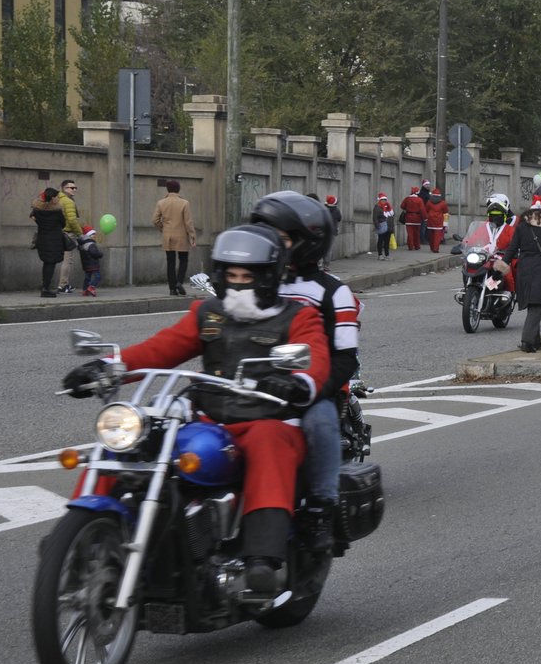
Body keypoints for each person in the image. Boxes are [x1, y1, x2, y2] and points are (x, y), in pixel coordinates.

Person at [62, 225, 330, 594]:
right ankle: (80, 538)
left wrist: (297, 381)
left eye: (248, 277)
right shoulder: (208, 313)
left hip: (267, 418)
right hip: (207, 418)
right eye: (231, 276)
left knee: (271, 440)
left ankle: (263, 558)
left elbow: (314, 356)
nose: (238, 284)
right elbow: (161, 348)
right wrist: (108, 367)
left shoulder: (297, 317)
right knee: (131, 436)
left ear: (270, 276)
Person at [251, 190, 361, 551]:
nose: (270, 245)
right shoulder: (253, 284)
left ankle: (321, 507)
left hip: (313, 388)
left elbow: (347, 358)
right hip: (252, 383)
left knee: (319, 421)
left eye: (279, 238)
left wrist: (312, 388)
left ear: (306, 242)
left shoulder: (333, 292)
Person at [494, 195, 541, 353]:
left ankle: (536, 341)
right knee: (537, 305)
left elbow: (512, 249)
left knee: (533, 302)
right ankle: (527, 341)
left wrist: (502, 266)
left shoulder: (521, 225)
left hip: (523, 268)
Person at [153, 179, 196, 297]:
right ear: (178, 189)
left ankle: (172, 289)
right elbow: (188, 222)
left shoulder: (161, 203)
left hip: (168, 236)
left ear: (168, 189)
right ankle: (179, 282)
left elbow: (155, 220)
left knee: (170, 262)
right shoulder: (184, 203)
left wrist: (163, 228)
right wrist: (192, 236)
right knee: (183, 260)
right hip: (182, 235)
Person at [30, 187, 69, 298]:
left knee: (47, 263)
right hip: (54, 241)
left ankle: (45, 286)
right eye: (57, 196)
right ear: (52, 198)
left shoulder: (37, 211)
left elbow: (33, 216)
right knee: (50, 264)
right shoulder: (57, 212)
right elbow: (63, 224)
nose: (58, 198)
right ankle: (45, 289)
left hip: (42, 240)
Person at [57, 179, 82, 293]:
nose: (74, 190)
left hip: (59, 232)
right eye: (71, 188)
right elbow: (72, 220)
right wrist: (79, 233)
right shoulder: (68, 202)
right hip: (68, 233)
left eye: (75, 188)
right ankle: (63, 285)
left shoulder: (58, 200)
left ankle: (63, 284)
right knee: (68, 260)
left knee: (61, 260)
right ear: (64, 188)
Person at [77, 226, 104, 297]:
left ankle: (84, 290)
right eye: (93, 234)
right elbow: (94, 253)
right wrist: (100, 254)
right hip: (93, 264)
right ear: (89, 236)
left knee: (87, 278)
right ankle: (91, 287)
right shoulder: (91, 244)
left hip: (86, 264)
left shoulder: (83, 244)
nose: (95, 236)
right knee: (98, 277)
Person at [399, 186, 426, 251]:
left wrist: (406, 208)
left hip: (409, 217)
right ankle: (417, 246)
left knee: (410, 233)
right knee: (417, 233)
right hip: (417, 218)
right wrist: (425, 217)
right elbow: (422, 210)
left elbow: (402, 206)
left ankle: (410, 246)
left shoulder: (407, 199)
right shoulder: (419, 200)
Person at [424, 185, 449, 253]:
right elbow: (445, 212)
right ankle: (436, 248)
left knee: (431, 236)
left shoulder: (429, 202)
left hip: (430, 221)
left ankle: (432, 247)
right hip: (439, 221)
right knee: (437, 236)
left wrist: (426, 218)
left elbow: (426, 210)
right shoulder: (443, 203)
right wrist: (446, 223)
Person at [372, 193, 394, 260]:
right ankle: (380, 255)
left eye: (385, 200)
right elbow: (375, 217)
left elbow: (392, 216)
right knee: (380, 241)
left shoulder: (389, 207)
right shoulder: (377, 207)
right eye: (382, 200)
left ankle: (387, 255)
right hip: (381, 226)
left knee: (387, 242)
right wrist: (377, 225)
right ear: (380, 200)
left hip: (389, 227)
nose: (384, 201)